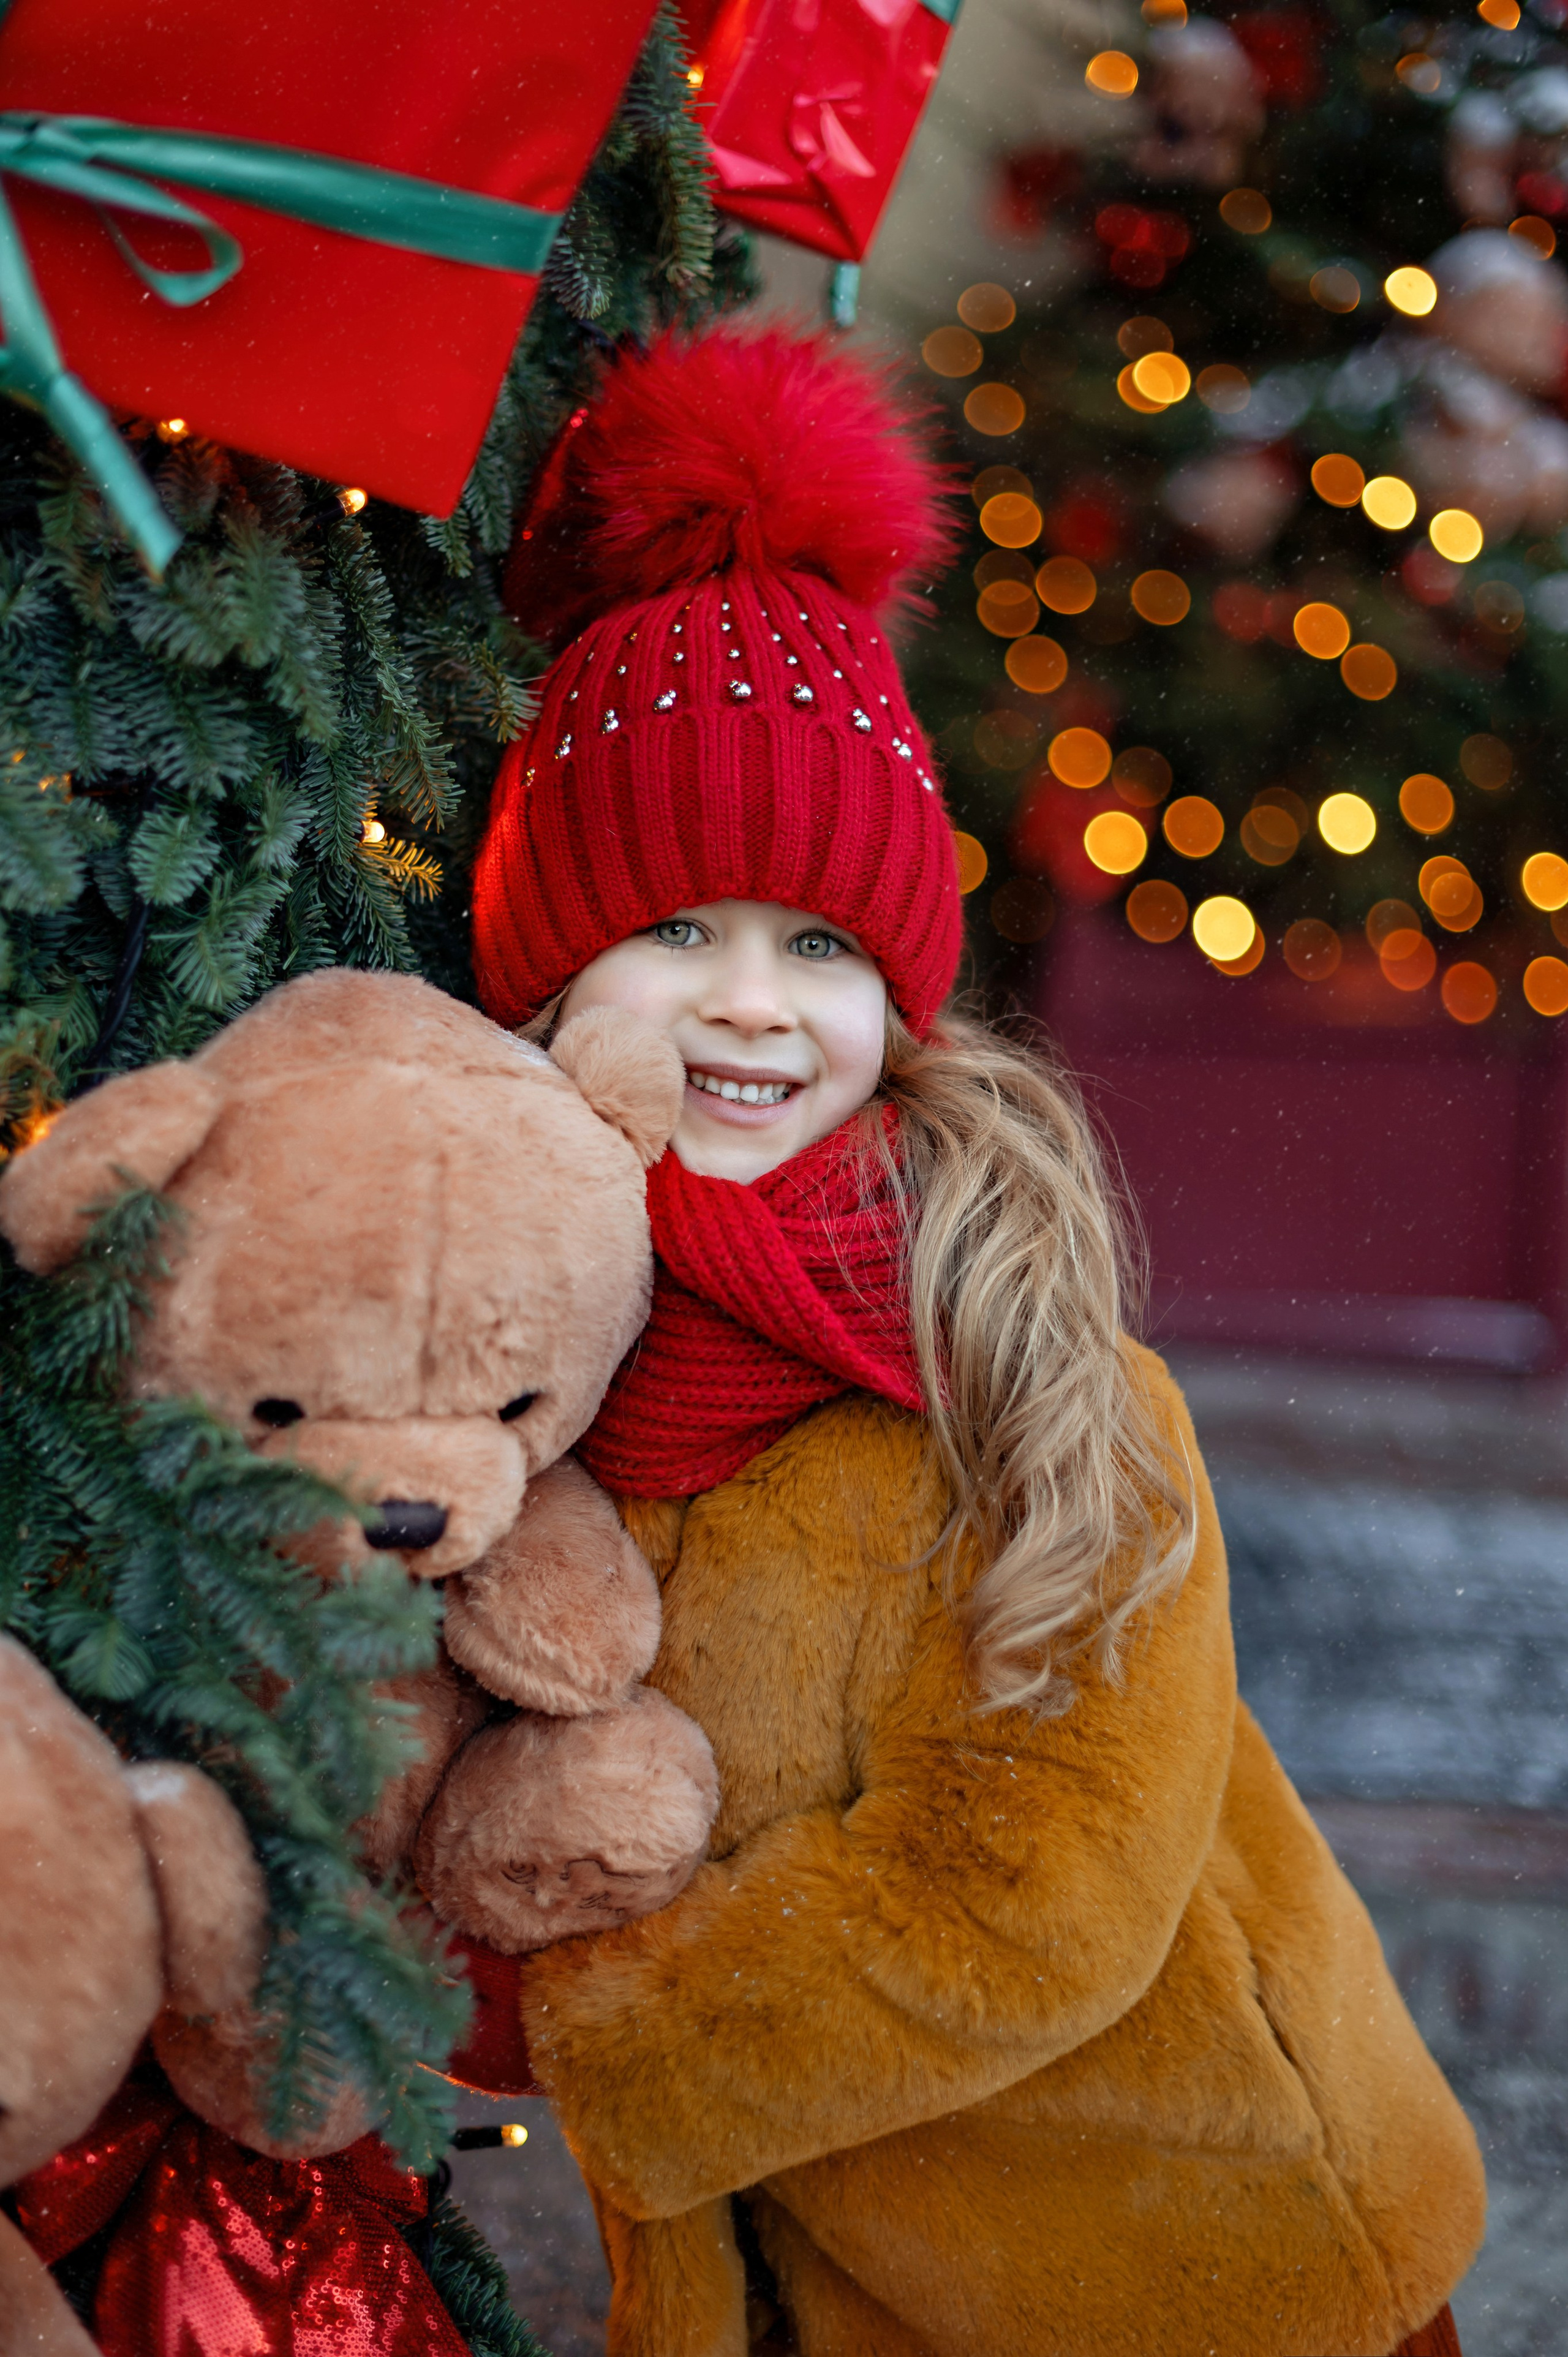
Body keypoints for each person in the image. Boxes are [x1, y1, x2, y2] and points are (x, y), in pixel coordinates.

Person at [470, 328, 1482, 2357]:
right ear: (545, 965)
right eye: (676, 928)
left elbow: (1041, 1884)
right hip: (841, 2283)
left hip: (1215, 2253)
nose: (752, 1006)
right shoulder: (538, 1370)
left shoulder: (1020, 1367)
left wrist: (615, 2037)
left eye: (820, 942)